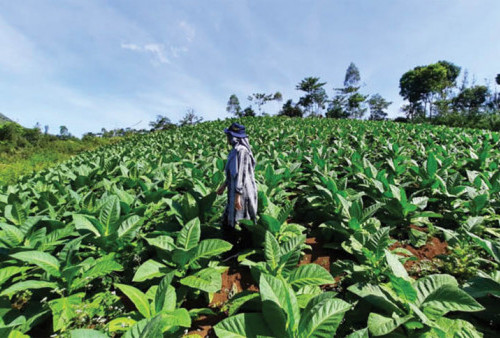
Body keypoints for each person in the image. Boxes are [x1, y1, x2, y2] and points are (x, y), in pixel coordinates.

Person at [216, 122, 258, 248]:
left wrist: (238, 195)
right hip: (234, 190)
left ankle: (245, 247)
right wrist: (224, 186)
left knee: (245, 220)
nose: (227, 138)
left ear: (235, 137)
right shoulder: (234, 151)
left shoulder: (242, 151)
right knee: (229, 218)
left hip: (244, 192)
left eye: (229, 135)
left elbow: (242, 174)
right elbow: (232, 173)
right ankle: (231, 247)